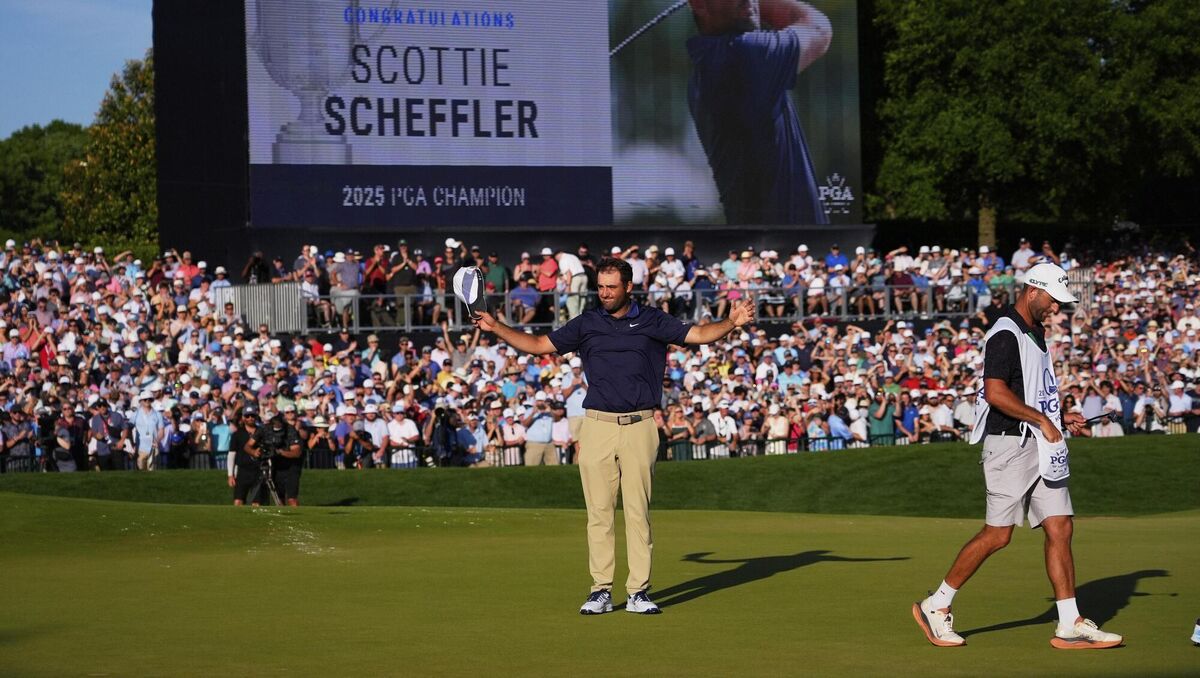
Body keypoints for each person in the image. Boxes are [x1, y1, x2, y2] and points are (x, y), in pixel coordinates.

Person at [473, 257, 755, 615]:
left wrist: (731, 322)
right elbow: (540, 345)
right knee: (599, 513)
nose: (604, 293)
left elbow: (697, 335)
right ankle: (600, 591)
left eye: (611, 287)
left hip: (640, 425)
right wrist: (496, 326)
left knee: (638, 513)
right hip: (596, 425)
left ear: (628, 287)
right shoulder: (588, 323)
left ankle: (638, 592)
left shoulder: (652, 320)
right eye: (601, 287)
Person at [913, 263, 1123, 650]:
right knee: (998, 535)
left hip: (1040, 443)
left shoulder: (1035, 332)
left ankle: (1069, 621)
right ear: (1032, 292)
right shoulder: (1005, 333)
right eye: (1052, 301)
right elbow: (995, 393)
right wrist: (1044, 419)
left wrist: (1060, 415)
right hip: (1010, 444)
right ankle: (936, 605)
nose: (1056, 309)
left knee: (1060, 527)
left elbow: (1031, 389)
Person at [686, 0, 832, 225]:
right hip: (787, 245)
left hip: (766, 241)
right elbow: (820, 29)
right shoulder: (744, 53)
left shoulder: (707, 64)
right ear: (698, 4)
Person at [245, 411, 303, 507]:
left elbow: (296, 452)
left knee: (292, 498)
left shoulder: (290, 430)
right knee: (279, 497)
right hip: (274, 465)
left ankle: (296, 517)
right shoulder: (263, 429)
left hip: (291, 466)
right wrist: (255, 452)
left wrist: (280, 452)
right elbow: (248, 446)